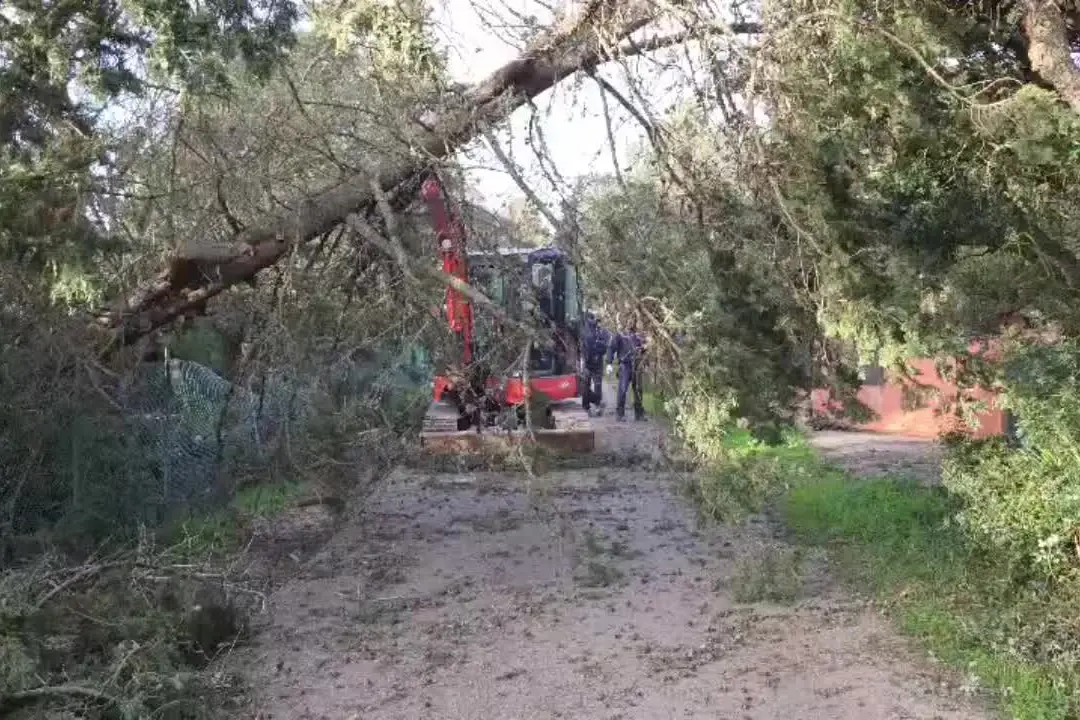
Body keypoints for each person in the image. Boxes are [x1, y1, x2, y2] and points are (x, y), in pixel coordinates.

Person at [606, 317, 648, 421]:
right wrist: (609, 363)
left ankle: (639, 414)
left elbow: (643, 349)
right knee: (623, 389)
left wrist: (644, 347)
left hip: (637, 365)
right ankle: (620, 414)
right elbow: (611, 348)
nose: (630, 322)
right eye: (628, 321)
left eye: (632, 321)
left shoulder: (637, 336)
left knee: (638, 389)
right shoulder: (620, 335)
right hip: (625, 365)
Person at [582, 311, 611, 416]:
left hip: (597, 363)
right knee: (585, 387)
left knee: (597, 386)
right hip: (587, 363)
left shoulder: (602, 332)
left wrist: (598, 351)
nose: (592, 322)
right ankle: (588, 407)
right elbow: (583, 346)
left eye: (593, 319)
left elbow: (606, 346)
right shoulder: (584, 331)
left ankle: (597, 406)